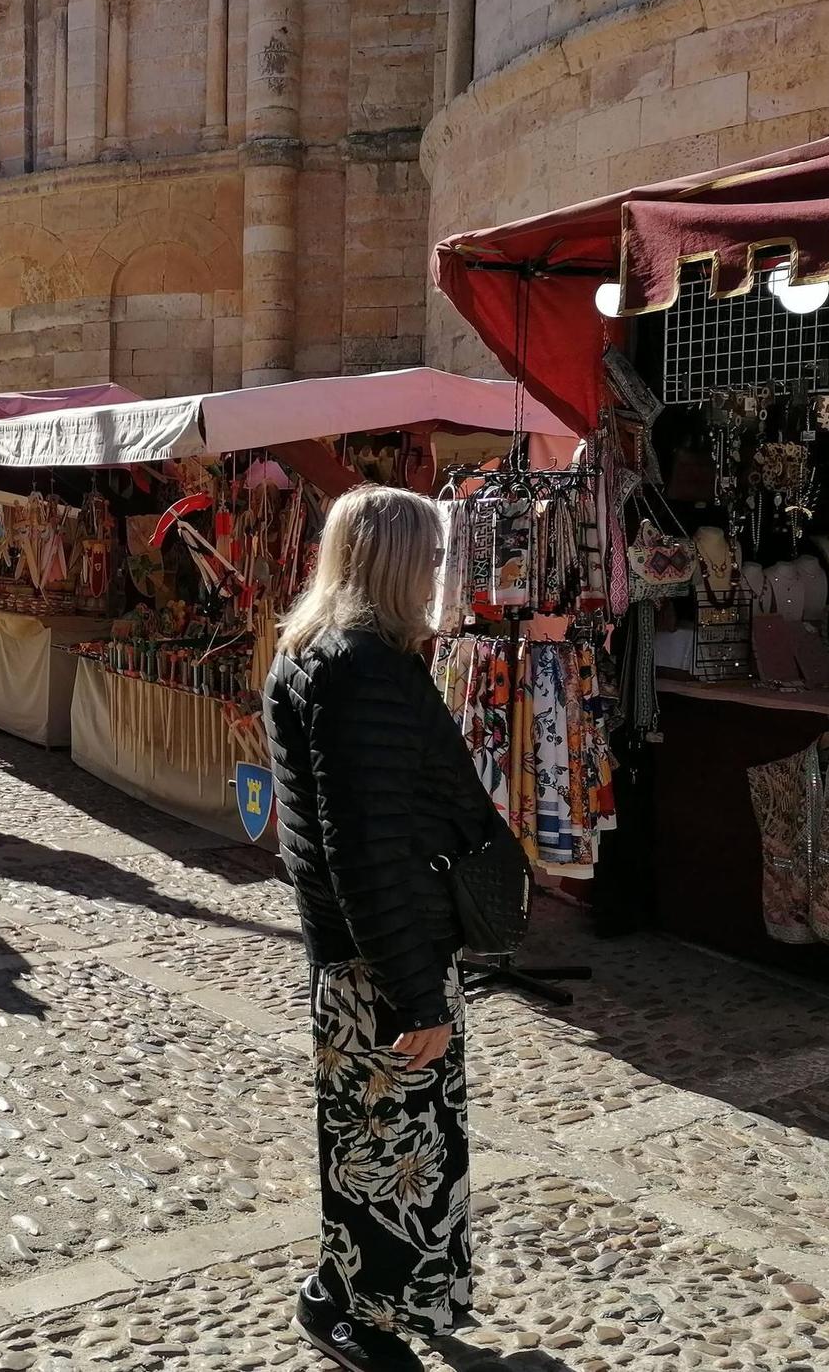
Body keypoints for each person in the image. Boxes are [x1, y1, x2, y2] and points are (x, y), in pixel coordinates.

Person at [263, 486, 494, 1372]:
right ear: (400, 561)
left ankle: (391, 1299)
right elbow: (367, 849)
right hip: (381, 964)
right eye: (431, 556)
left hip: (363, 955)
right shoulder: (363, 670)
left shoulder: (317, 653)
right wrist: (416, 990)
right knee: (384, 1150)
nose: (439, 573)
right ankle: (341, 1305)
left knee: (393, 1142)